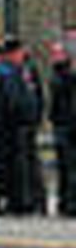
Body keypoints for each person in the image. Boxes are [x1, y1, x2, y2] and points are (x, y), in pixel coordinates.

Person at [0, 40, 42, 215]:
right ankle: (14, 201)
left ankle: (22, 200)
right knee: (11, 166)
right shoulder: (6, 73)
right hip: (10, 127)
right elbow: (12, 101)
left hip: (20, 126)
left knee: (20, 166)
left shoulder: (22, 72)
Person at [51, 42, 76, 217]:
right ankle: (68, 202)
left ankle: (67, 201)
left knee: (68, 167)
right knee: (67, 167)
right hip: (65, 126)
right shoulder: (61, 77)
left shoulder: (63, 76)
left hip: (66, 125)